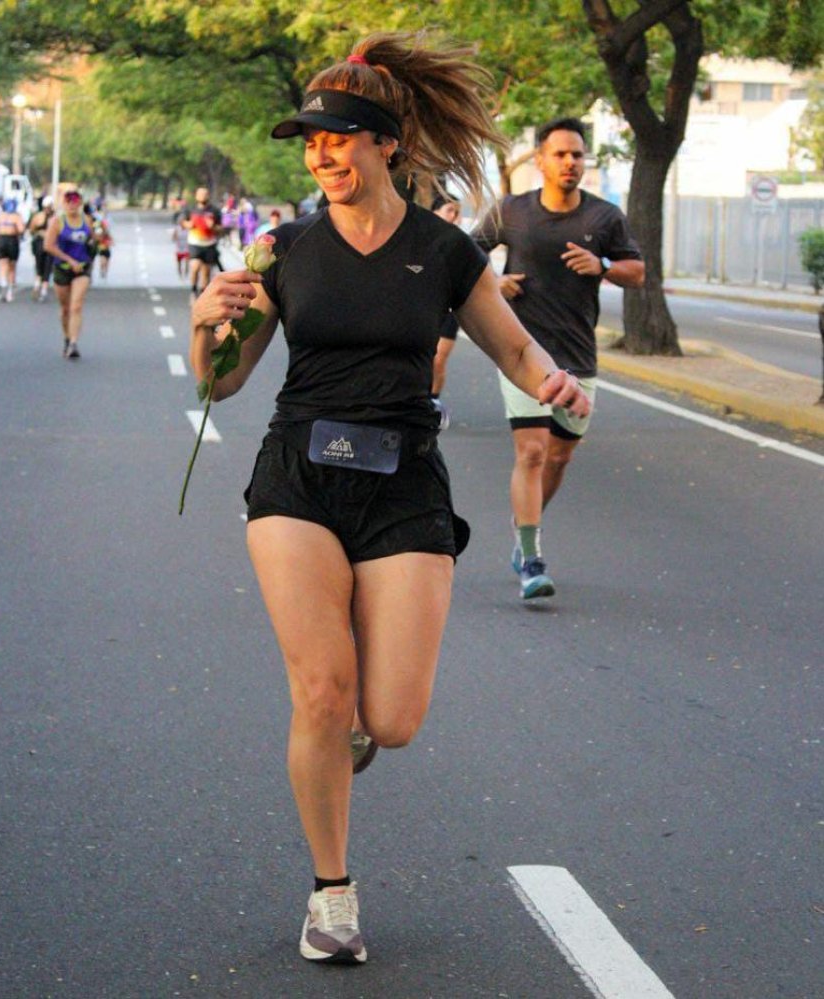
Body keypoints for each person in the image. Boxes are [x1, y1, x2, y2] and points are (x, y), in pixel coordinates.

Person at [189, 32, 590, 965]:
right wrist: (210, 324)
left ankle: (356, 726)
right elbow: (224, 384)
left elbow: (516, 352)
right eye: (309, 143)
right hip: (299, 474)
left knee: (394, 718)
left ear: (385, 144)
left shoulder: (446, 251)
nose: (321, 154)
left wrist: (558, 384)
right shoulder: (281, 248)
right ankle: (332, 895)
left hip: (405, 476)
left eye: (337, 138)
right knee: (321, 691)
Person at [472, 116, 644, 601]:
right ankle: (531, 556)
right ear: (541, 160)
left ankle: (525, 526)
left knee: (560, 455)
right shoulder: (511, 211)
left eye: (577, 155)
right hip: (522, 351)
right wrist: (494, 284)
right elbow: (465, 254)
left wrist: (604, 265)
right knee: (530, 451)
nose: (570, 162)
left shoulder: (604, 218)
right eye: (561, 154)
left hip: (577, 352)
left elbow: (638, 272)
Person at [44, 189, 94, 359]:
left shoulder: (86, 221)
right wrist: (69, 260)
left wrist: (101, 243)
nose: (72, 204)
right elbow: (48, 246)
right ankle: (66, 338)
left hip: (82, 268)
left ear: (80, 203)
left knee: (76, 305)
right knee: (65, 309)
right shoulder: (57, 222)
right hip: (62, 268)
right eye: (68, 201)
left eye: (75, 201)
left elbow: (93, 239)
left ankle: (73, 343)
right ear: (63, 203)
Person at [429, 194, 463, 430]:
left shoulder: (461, 243)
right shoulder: (417, 237)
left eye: (458, 212)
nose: (455, 216)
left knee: (439, 358)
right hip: (423, 308)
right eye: (450, 210)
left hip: (450, 309)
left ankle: (433, 400)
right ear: (435, 212)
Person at [181, 187, 222, 300]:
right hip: (195, 243)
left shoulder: (214, 211)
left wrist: (213, 226)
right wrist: (187, 224)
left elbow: (220, 228)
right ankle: (193, 291)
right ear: (196, 196)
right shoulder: (190, 209)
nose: (203, 196)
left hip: (209, 244)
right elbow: (183, 222)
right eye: (201, 194)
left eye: (205, 194)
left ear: (208, 196)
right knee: (195, 267)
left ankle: (202, 295)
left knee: (206, 272)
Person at [0, 198, 25, 303]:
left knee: (2, 264)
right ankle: (9, 291)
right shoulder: (17, 217)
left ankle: (3, 285)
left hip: (0, 240)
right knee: (12, 266)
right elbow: (21, 229)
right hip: (12, 240)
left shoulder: (0, 217)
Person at [28, 196, 55, 301]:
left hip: (41, 244)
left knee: (40, 267)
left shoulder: (38, 217)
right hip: (47, 244)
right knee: (47, 268)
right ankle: (42, 289)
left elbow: (31, 230)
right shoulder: (54, 218)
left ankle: (38, 286)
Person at [91, 210, 114, 278]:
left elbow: (110, 238)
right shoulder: (97, 228)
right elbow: (95, 237)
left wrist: (111, 242)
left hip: (106, 248)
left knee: (106, 262)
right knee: (102, 261)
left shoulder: (106, 232)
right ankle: (102, 271)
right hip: (101, 248)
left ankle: (105, 272)